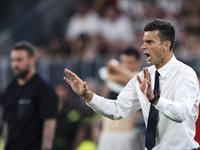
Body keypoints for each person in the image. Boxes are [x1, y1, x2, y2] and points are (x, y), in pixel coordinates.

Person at [63, 19, 200, 150]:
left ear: (166, 45)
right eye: (143, 42)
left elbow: (181, 113)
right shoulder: (142, 77)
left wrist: (155, 99)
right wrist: (88, 96)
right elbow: (118, 109)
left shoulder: (185, 74)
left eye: (149, 42)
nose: (143, 46)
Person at [0, 41, 58, 150]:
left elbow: (49, 121)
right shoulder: (10, 89)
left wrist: (46, 147)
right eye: (12, 60)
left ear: (31, 60)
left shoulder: (43, 89)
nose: (15, 64)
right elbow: (7, 123)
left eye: (19, 60)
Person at [98, 47, 143, 150]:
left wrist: (112, 76)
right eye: (123, 62)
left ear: (138, 63)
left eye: (130, 62)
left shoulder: (141, 79)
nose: (126, 65)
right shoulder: (110, 75)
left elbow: (132, 80)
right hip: (106, 134)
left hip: (126, 135)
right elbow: (108, 65)